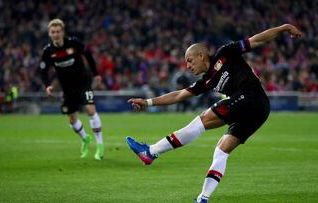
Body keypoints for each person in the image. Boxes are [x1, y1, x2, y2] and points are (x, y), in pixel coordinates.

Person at [126, 24, 302, 202]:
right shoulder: (206, 82)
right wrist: (148, 102)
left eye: (189, 60)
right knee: (221, 151)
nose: (187, 66)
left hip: (251, 97)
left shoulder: (225, 53)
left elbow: (257, 39)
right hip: (258, 110)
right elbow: (179, 95)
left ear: (201, 55)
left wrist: (284, 28)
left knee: (202, 120)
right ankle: (203, 198)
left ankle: (152, 152)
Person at [39, 19, 104, 160]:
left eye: (58, 31)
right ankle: (85, 138)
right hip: (67, 88)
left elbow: (88, 55)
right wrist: (47, 85)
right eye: (53, 32)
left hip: (83, 82)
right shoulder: (48, 51)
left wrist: (96, 74)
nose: (55, 34)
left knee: (90, 110)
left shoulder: (74, 43)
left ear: (62, 32)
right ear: (49, 34)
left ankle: (100, 146)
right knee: (72, 120)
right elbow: (43, 71)